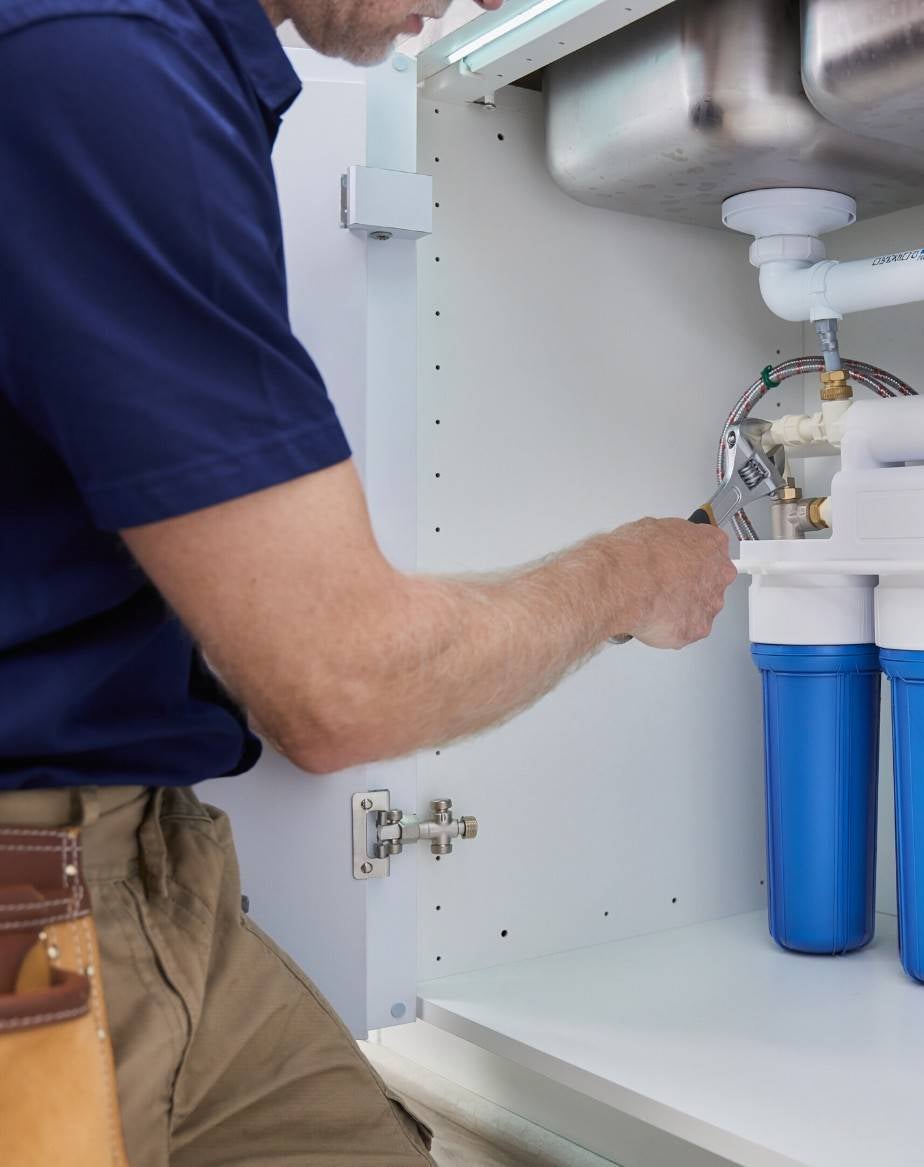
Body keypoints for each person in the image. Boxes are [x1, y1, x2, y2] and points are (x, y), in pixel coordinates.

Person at [0, 0, 737, 1162]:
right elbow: (342, 692)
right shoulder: (98, 64)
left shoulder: (147, 65)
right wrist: (631, 576)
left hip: (154, 864)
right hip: (29, 911)